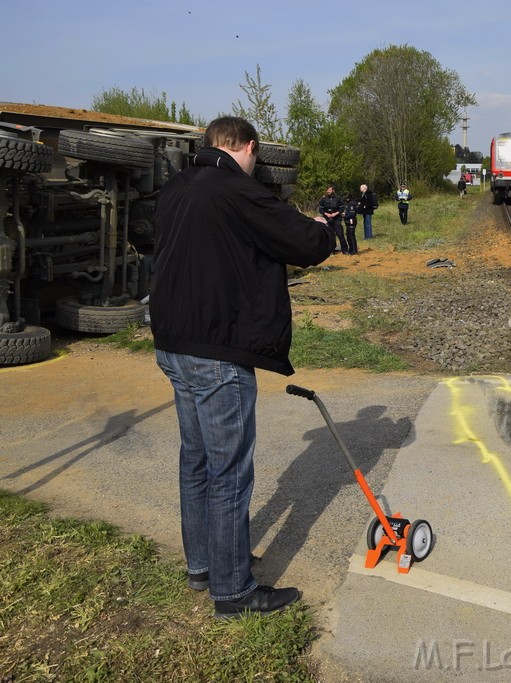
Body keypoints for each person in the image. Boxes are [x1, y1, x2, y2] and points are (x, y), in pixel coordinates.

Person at [149, 116, 334, 619]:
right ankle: (233, 592)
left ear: (210, 144)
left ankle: (205, 565)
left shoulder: (176, 188)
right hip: (218, 350)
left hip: (173, 343)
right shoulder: (238, 189)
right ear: (249, 148)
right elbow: (306, 244)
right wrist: (322, 226)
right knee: (229, 471)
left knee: (197, 461)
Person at [317, 184, 345, 252]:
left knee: (340, 234)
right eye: (328, 190)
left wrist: (336, 213)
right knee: (330, 235)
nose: (328, 191)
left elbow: (342, 208)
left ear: (333, 190)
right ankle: (332, 249)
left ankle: (345, 249)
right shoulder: (324, 199)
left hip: (337, 218)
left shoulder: (338, 198)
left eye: (330, 190)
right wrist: (326, 214)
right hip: (328, 219)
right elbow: (321, 209)